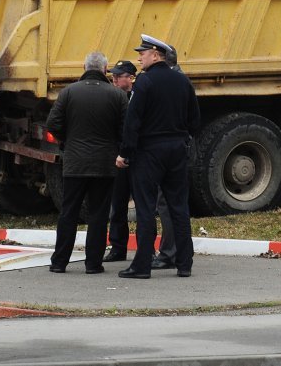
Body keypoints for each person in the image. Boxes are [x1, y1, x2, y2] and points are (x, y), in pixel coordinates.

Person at [116, 35, 200, 279]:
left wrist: (125, 153)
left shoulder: (145, 81)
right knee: (178, 207)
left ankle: (142, 265)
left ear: (155, 54)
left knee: (145, 208)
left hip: (149, 152)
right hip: (177, 150)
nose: (139, 57)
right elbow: (195, 120)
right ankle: (184, 264)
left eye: (143, 53)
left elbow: (133, 120)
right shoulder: (183, 81)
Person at [46, 51, 128, 274]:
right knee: (99, 214)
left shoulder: (69, 92)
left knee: (68, 212)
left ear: (84, 67)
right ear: (105, 69)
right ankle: (93, 264)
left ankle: (59, 262)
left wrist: (68, 140)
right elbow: (125, 130)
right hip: (104, 164)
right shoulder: (117, 95)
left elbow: (52, 124)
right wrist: (116, 147)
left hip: (74, 163)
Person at [105, 57, 179, 269]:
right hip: (121, 158)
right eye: (113, 77)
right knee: (117, 204)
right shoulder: (115, 98)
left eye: (118, 77)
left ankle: (149, 250)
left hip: (140, 159)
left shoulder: (142, 95)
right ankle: (118, 247)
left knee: (146, 207)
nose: (114, 81)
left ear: (131, 78)